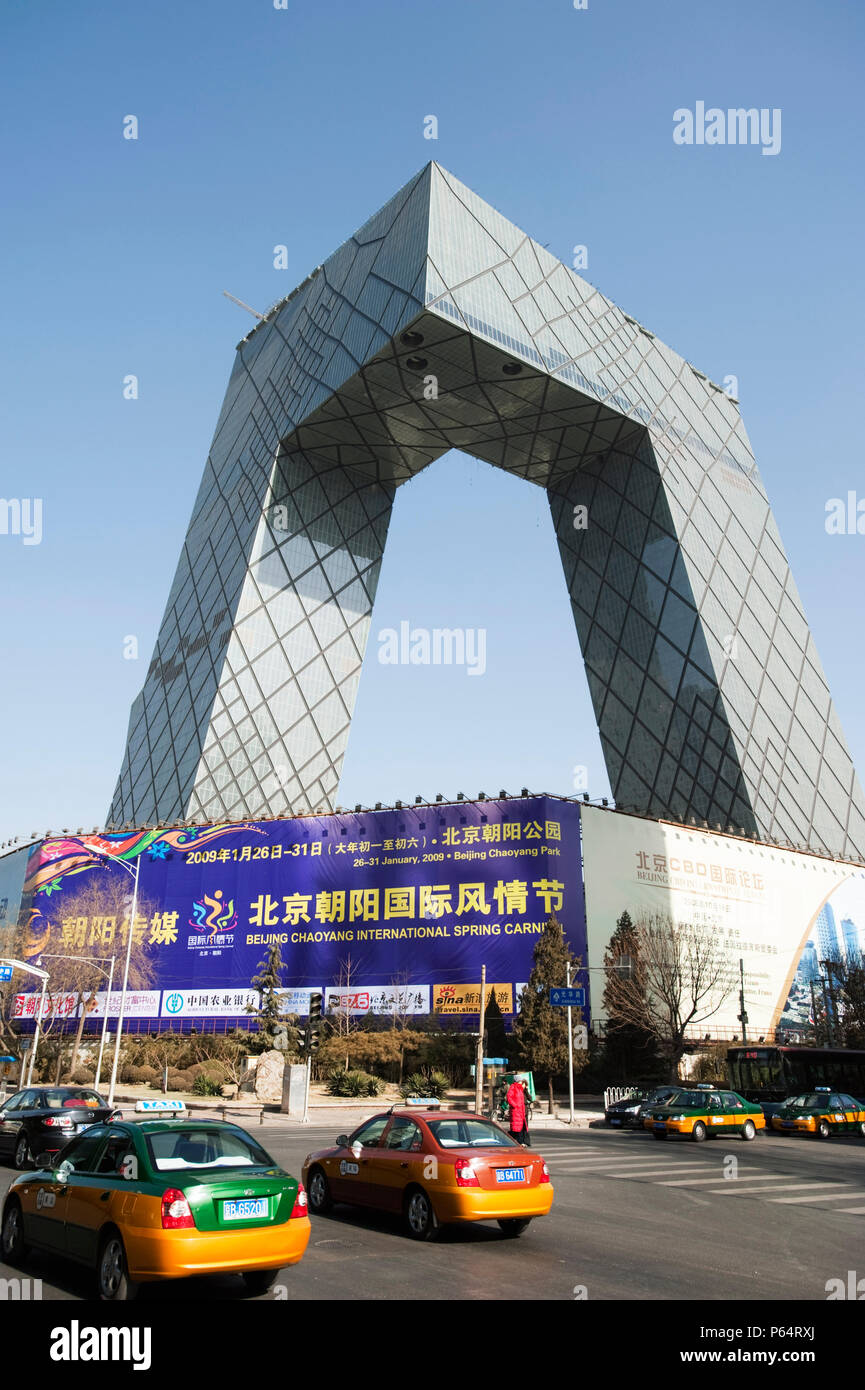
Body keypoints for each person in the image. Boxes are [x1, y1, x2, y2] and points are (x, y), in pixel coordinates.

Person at [506, 1074, 531, 1146]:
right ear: (517, 1081)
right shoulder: (513, 1087)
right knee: (516, 1128)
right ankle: (517, 1141)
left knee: (520, 1127)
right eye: (520, 1081)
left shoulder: (520, 1089)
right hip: (516, 1111)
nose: (521, 1082)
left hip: (521, 1111)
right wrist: (515, 1105)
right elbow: (509, 1097)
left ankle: (520, 1141)